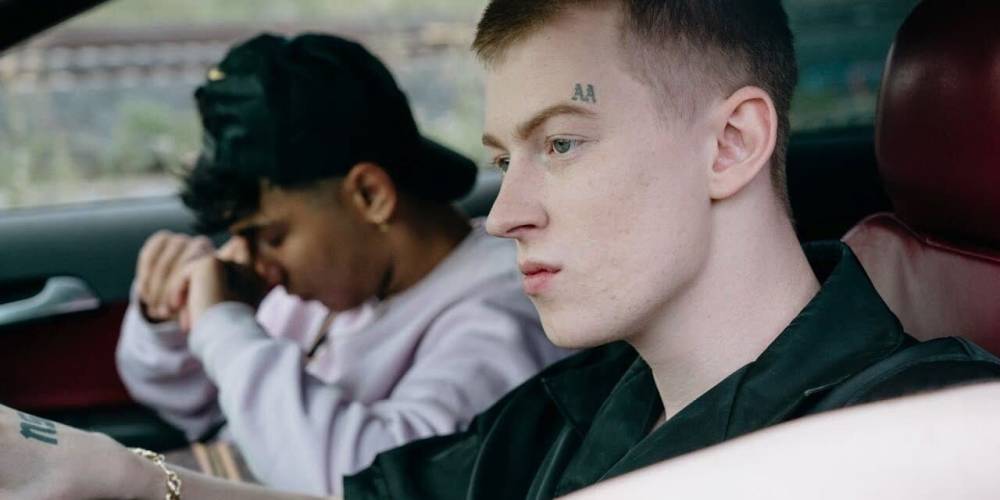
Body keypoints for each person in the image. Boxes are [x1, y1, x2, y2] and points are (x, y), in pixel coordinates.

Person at [3, 2, 1000, 499]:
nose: (504, 211)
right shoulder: (575, 400)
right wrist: (106, 477)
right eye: (501, 158)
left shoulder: (920, 439)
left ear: (730, 144)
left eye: (560, 143)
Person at [113, 33, 568, 496]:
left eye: (270, 237)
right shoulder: (328, 287)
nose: (251, 259)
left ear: (369, 195)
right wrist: (171, 321)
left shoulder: (501, 314)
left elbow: (376, 481)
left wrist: (223, 329)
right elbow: (194, 405)